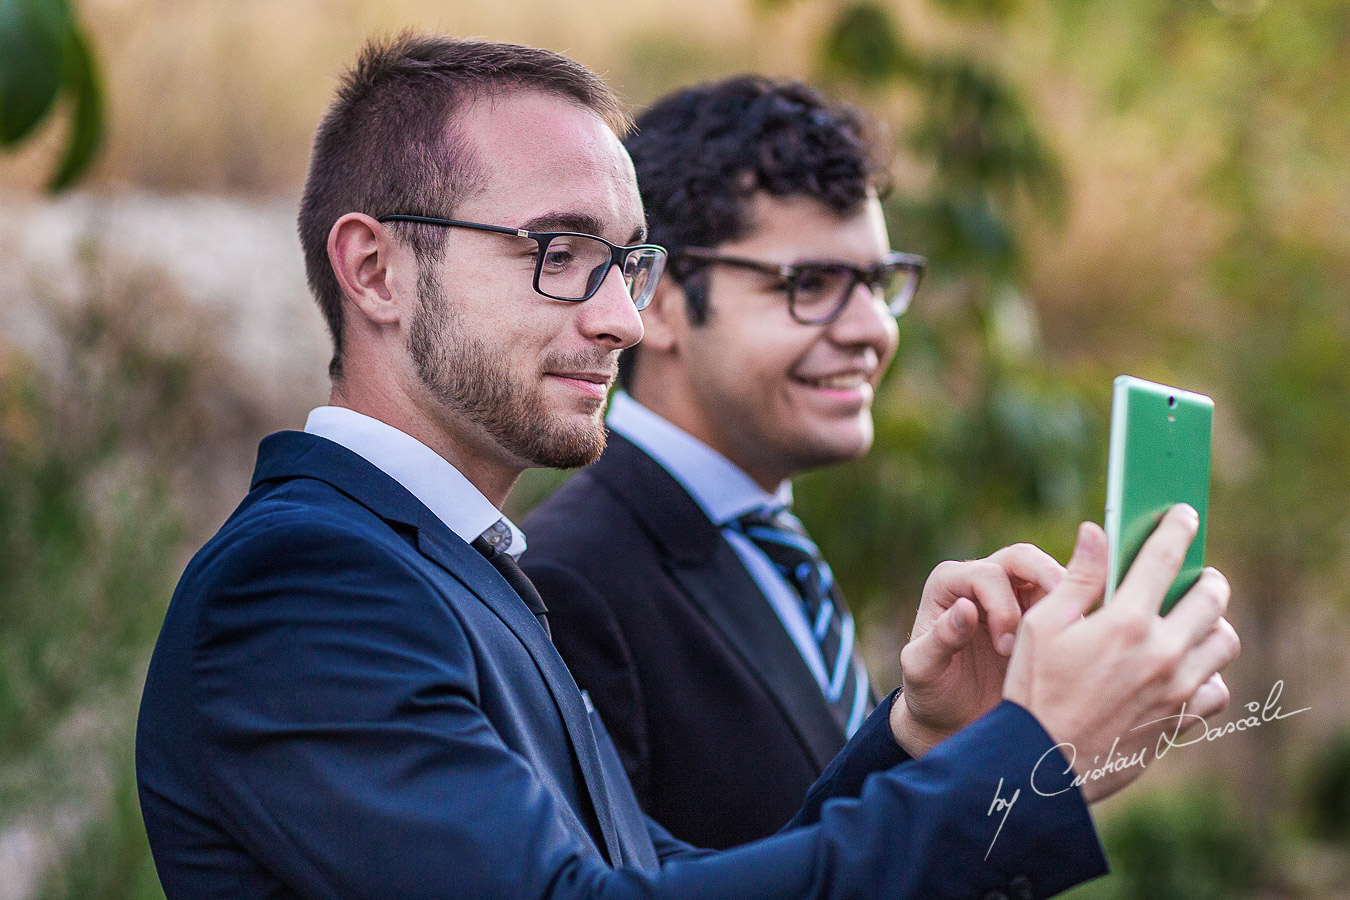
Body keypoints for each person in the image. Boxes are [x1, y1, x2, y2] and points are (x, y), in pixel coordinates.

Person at [135, 33, 1240, 900]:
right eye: (561, 255)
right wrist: (1029, 757)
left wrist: (922, 738)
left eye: (631, 263)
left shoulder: (456, 569)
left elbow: (655, 877)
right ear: (374, 268)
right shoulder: (302, 584)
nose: (622, 317)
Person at [520, 76, 928, 847]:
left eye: (877, 283)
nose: (873, 330)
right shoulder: (571, 585)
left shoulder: (774, 545)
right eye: (810, 285)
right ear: (660, 301)